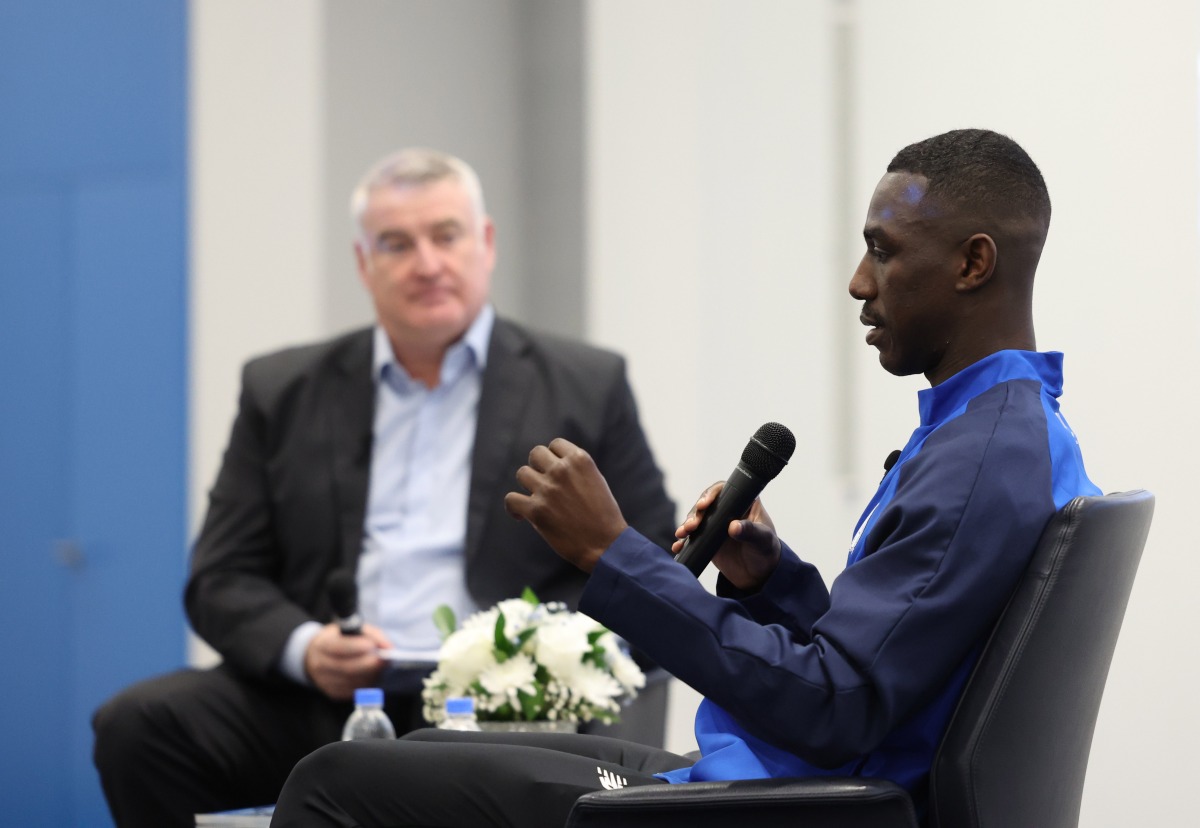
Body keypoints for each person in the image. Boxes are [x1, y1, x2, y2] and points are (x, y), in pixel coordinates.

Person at [269, 128, 1100, 828]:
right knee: (425, 749)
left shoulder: (978, 461)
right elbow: (883, 660)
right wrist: (772, 581)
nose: (858, 282)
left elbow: (834, 705)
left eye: (882, 252)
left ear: (972, 264)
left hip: (792, 801)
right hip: (790, 773)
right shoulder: (1008, 429)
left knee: (334, 783)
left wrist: (610, 551)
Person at [90, 147, 676, 828]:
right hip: (328, 698)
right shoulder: (282, 390)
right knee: (138, 725)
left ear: (484, 244)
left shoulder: (582, 383)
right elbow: (221, 577)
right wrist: (305, 647)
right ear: (363, 264)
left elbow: (651, 564)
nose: (426, 263)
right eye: (396, 244)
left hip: (501, 708)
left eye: (446, 235)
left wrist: (532, 651)